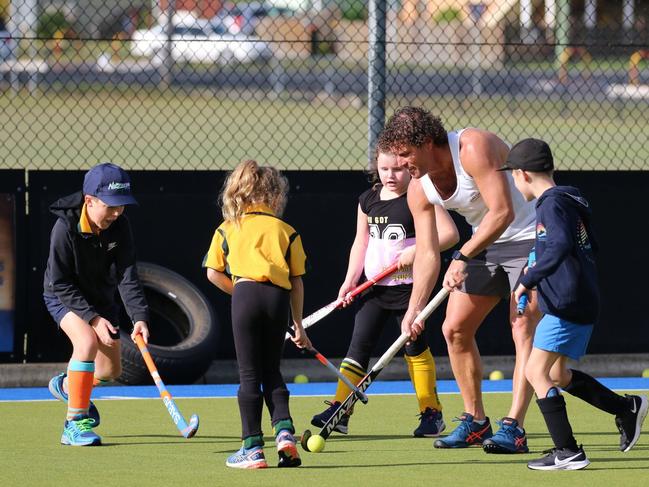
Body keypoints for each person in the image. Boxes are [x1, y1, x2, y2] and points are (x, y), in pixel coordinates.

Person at [378, 106, 541, 453]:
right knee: (454, 330)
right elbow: (426, 252)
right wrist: (414, 309)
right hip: (482, 243)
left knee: (521, 326)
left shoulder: (473, 147)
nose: (404, 164)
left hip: (528, 237)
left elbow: (503, 211)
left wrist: (463, 256)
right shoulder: (419, 188)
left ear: (425, 142)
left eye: (406, 154)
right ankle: (475, 422)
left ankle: (514, 426)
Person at [500, 138, 648, 470]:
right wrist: (531, 268)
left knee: (535, 371)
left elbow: (562, 244)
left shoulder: (551, 204)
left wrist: (528, 280)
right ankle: (625, 409)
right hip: (576, 299)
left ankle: (567, 451)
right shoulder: (566, 200)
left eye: (512, 174)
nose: (511, 181)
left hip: (568, 302)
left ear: (523, 173)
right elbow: (569, 246)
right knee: (556, 373)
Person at [310, 148, 459, 437]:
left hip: (409, 290)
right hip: (374, 290)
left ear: (411, 168)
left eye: (399, 169)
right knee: (358, 347)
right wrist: (350, 280)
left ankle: (432, 413)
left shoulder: (420, 195)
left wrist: (416, 250)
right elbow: (360, 243)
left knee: (413, 346)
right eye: (385, 169)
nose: (391, 176)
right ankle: (341, 409)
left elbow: (450, 234)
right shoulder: (368, 200)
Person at [203, 160, 310, 469]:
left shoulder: (228, 228)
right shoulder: (286, 231)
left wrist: (242, 296)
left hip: (245, 294)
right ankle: (285, 434)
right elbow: (296, 280)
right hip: (278, 298)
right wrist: (298, 325)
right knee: (272, 370)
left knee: (249, 375)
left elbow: (213, 273)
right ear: (275, 195)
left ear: (239, 192)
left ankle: (252, 448)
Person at [45, 162, 150, 447]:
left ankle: (67, 386)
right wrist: (92, 319)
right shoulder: (64, 228)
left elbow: (127, 274)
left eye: (122, 206)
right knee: (86, 342)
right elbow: (60, 282)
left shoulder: (120, 226)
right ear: (89, 201)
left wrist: (139, 317)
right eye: (110, 206)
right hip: (61, 294)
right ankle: (74, 424)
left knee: (109, 371)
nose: (116, 213)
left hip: (100, 298)